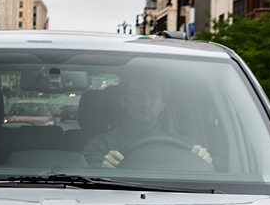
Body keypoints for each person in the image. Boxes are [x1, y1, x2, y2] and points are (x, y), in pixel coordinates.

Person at [82, 70, 213, 168]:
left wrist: (205, 162)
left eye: (153, 96)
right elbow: (85, 181)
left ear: (163, 103)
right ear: (124, 101)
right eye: (137, 95)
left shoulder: (186, 147)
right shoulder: (102, 146)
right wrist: (102, 168)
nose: (146, 102)